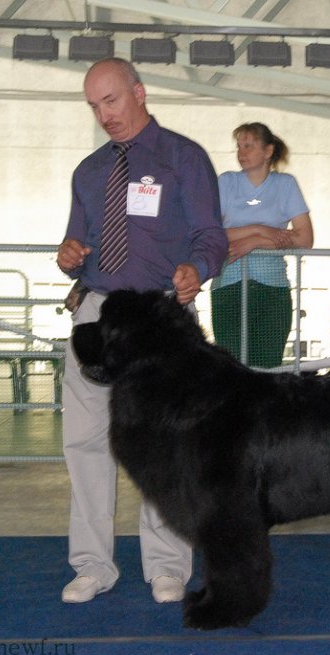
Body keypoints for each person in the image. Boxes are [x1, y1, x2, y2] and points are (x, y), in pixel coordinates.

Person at [56, 58, 228, 606]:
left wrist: (196, 269)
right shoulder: (87, 172)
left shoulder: (184, 159)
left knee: (167, 445)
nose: (103, 115)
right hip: (97, 316)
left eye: (111, 101)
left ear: (138, 92)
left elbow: (211, 237)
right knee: (84, 442)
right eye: (93, 106)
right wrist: (67, 255)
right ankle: (91, 565)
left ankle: (167, 567)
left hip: (160, 319)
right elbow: (74, 243)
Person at [210, 122, 314, 368]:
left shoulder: (285, 184)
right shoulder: (225, 182)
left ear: (268, 151)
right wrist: (261, 230)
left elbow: (304, 239)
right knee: (231, 365)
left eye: (249, 146)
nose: (241, 152)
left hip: (273, 287)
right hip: (229, 286)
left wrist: (254, 242)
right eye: (239, 146)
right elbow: (212, 233)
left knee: (268, 367)